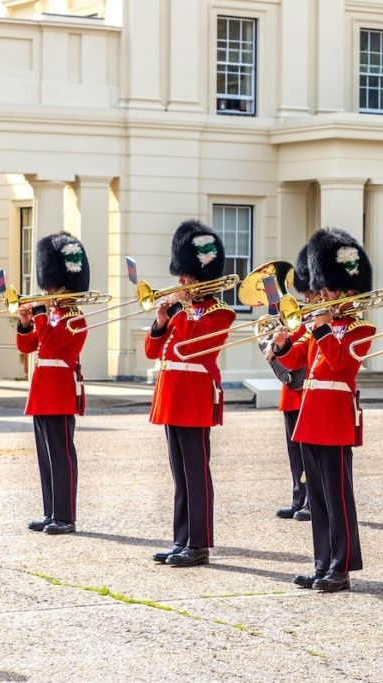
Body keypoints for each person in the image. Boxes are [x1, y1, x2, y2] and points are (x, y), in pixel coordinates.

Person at [273, 227, 373, 593]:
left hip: (334, 417)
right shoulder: (322, 326)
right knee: (317, 496)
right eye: (323, 290)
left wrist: (324, 329)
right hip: (312, 415)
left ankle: (341, 566)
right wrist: (283, 344)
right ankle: (321, 563)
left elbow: (340, 363)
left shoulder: (362, 328)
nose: (323, 296)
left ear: (348, 293)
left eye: (329, 291)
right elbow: (298, 359)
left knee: (337, 495)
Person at [146, 219, 236, 568]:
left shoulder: (221, 312)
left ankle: (198, 543)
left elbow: (196, 346)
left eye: (187, 277)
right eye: (181, 276)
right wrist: (160, 320)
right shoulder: (181, 311)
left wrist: (179, 312)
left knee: (197, 474)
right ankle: (181, 538)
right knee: (179, 473)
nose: (181, 282)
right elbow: (155, 352)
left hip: (196, 397)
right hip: (171, 395)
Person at [16, 232, 90, 536]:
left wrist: (42, 316)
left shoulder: (76, 319)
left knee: (61, 455)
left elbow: (53, 343)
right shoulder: (54, 316)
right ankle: (51, 512)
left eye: (53, 288)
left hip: (60, 392)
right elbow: (28, 346)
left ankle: (66, 516)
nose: (47, 292)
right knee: (45, 456)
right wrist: (24, 322)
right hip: (42, 390)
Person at [266, 246, 312, 522]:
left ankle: (312, 500)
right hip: (291, 389)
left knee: (309, 450)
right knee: (294, 450)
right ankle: (299, 497)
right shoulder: (296, 315)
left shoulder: (314, 317)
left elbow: (302, 349)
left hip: (308, 389)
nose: (307, 296)